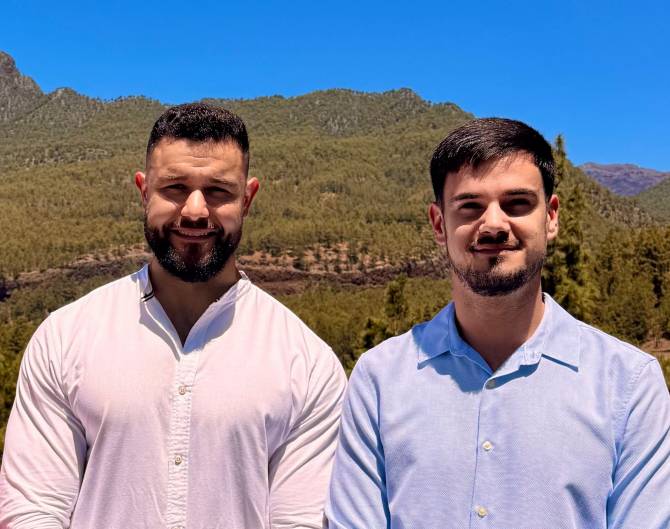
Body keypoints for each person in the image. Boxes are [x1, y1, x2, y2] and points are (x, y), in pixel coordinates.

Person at [0, 103, 347, 529]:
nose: (196, 211)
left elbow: (301, 521)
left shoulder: (307, 363)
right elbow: (34, 509)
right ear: (144, 191)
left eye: (218, 191)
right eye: (176, 188)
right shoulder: (65, 338)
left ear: (247, 198)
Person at [326, 118, 670, 529]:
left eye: (517, 203)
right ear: (439, 224)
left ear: (551, 217)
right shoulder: (379, 380)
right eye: (470, 206)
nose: (493, 224)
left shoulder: (629, 385)